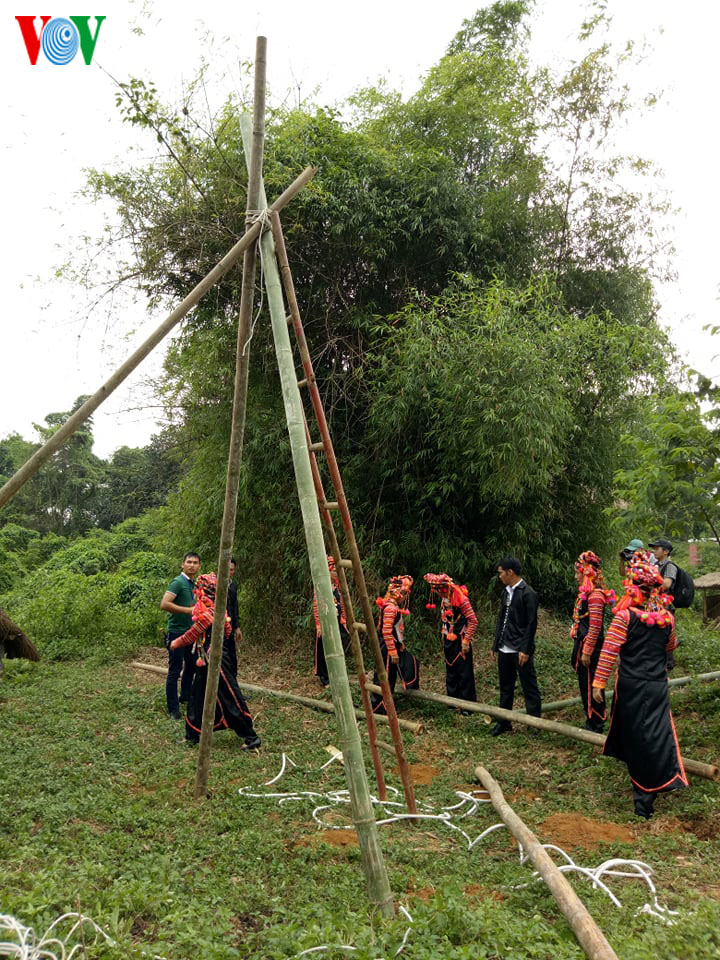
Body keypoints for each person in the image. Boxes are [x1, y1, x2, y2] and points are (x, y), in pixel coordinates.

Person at [592, 560, 687, 819]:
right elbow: (671, 646)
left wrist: (598, 683)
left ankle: (643, 798)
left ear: (632, 587)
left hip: (632, 687)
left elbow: (609, 651)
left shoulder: (624, 617)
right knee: (654, 734)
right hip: (656, 686)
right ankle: (649, 783)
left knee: (640, 738)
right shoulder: (666, 619)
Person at [170, 572, 261, 750]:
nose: (197, 592)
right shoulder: (215, 608)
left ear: (204, 591)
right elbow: (225, 632)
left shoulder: (209, 612)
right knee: (197, 696)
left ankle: (251, 737)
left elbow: (192, 634)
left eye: (199, 589)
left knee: (230, 697)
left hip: (217, 661)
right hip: (206, 660)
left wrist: (175, 643)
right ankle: (192, 734)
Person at [491, 557, 541, 736]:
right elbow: (501, 619)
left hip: (520, 648)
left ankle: (534, 722)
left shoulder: (528, 593)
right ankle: (504, 722)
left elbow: (531, 624)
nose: (500, 576)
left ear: (510, 572)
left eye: (501, 573)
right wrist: (496, 643)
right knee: (505, 686)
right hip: (505, 646)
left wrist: (525, 649)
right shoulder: (506, 592)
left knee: (529, 685)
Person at [570, 551, 615, 733]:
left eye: (577, 572)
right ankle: (591, 718)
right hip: (583, 643)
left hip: (591, 647)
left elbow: (595, 627)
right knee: (585, 684)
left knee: (591, 685)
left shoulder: (595, 595)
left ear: (585, 572)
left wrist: (587, 651)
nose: (575, 576)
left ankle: (596, 722)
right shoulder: (587, 594)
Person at [424, 572, 478, 702]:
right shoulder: (445, 598)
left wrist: (466, 641)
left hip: (460, 638)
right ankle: (453, 701)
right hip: (448, 637)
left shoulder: (462, 599)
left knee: (464, 671)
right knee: (451, 669)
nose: (438, 594)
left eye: (440, 591)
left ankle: (467, 704)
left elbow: (473, 620)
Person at [370, 574, 419, 715]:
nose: (404, 596)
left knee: (391, 674)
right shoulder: (391, 608)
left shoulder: (391, 605)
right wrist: (392, 651)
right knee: (384, 675)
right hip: (387, 646)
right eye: (403, 593)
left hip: (392, 644)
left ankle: (386, 703)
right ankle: (379, 706)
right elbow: (386, 631)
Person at [160, 552, 201, 720]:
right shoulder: (178, 582)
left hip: (190, 633)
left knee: (191, 667)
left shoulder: (195, 584)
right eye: (189, 562)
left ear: (199, 566)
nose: (192, 565)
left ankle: (185, 697)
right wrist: (188, 611)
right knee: (175, 671)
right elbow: (164, 604)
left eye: (195, 562)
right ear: (182, 564)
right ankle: (173, 709)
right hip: (176, 632)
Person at [312, 555, 348, 688]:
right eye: (334, 573)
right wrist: (318, 625)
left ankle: (336, 673)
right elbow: (316, 605)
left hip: (337, 620)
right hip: (325, 621)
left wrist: (343, 618)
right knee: (324, 649)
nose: (336, 576)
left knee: (341, 641)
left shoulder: (336, 586)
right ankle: (325, 678)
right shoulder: (321, 586)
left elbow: (342, 602)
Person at [648, 537, 678, 671]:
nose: (654, 551)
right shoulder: (656, 566)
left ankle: (668, 664)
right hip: (656, 606)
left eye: (657, 549)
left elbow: (667, 584)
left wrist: (652, 581)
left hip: (666, 607)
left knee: (666, 634)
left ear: (665, 551)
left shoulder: (670, 566)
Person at [227, 557, 242, 677]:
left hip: (230, 627)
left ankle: (233, 691)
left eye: (231, 570)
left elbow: (234, 607)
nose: (229, 572)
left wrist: (237, 627)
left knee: (232, 659)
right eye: (227, 569)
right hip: (216, 629)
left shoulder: (233, 585)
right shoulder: (212, 585)